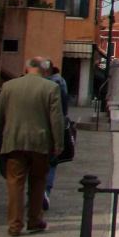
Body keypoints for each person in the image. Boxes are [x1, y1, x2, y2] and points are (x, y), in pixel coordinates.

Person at [0, 56, 64, 236]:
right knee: (38, 182)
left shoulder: (8, 87)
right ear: (44, 71)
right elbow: (56, 120)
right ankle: (34, 220)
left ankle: (15, 225)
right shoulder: (51, 88)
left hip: (14, 141)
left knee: (15, 183)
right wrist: (58, 145)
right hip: (40, 143)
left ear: (26, 69)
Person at [44, 64, 70, 211]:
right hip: (52, 129)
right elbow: (62, 111)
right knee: (52, 161)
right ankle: (45, 190)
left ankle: (33, 194)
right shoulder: (60, 82)